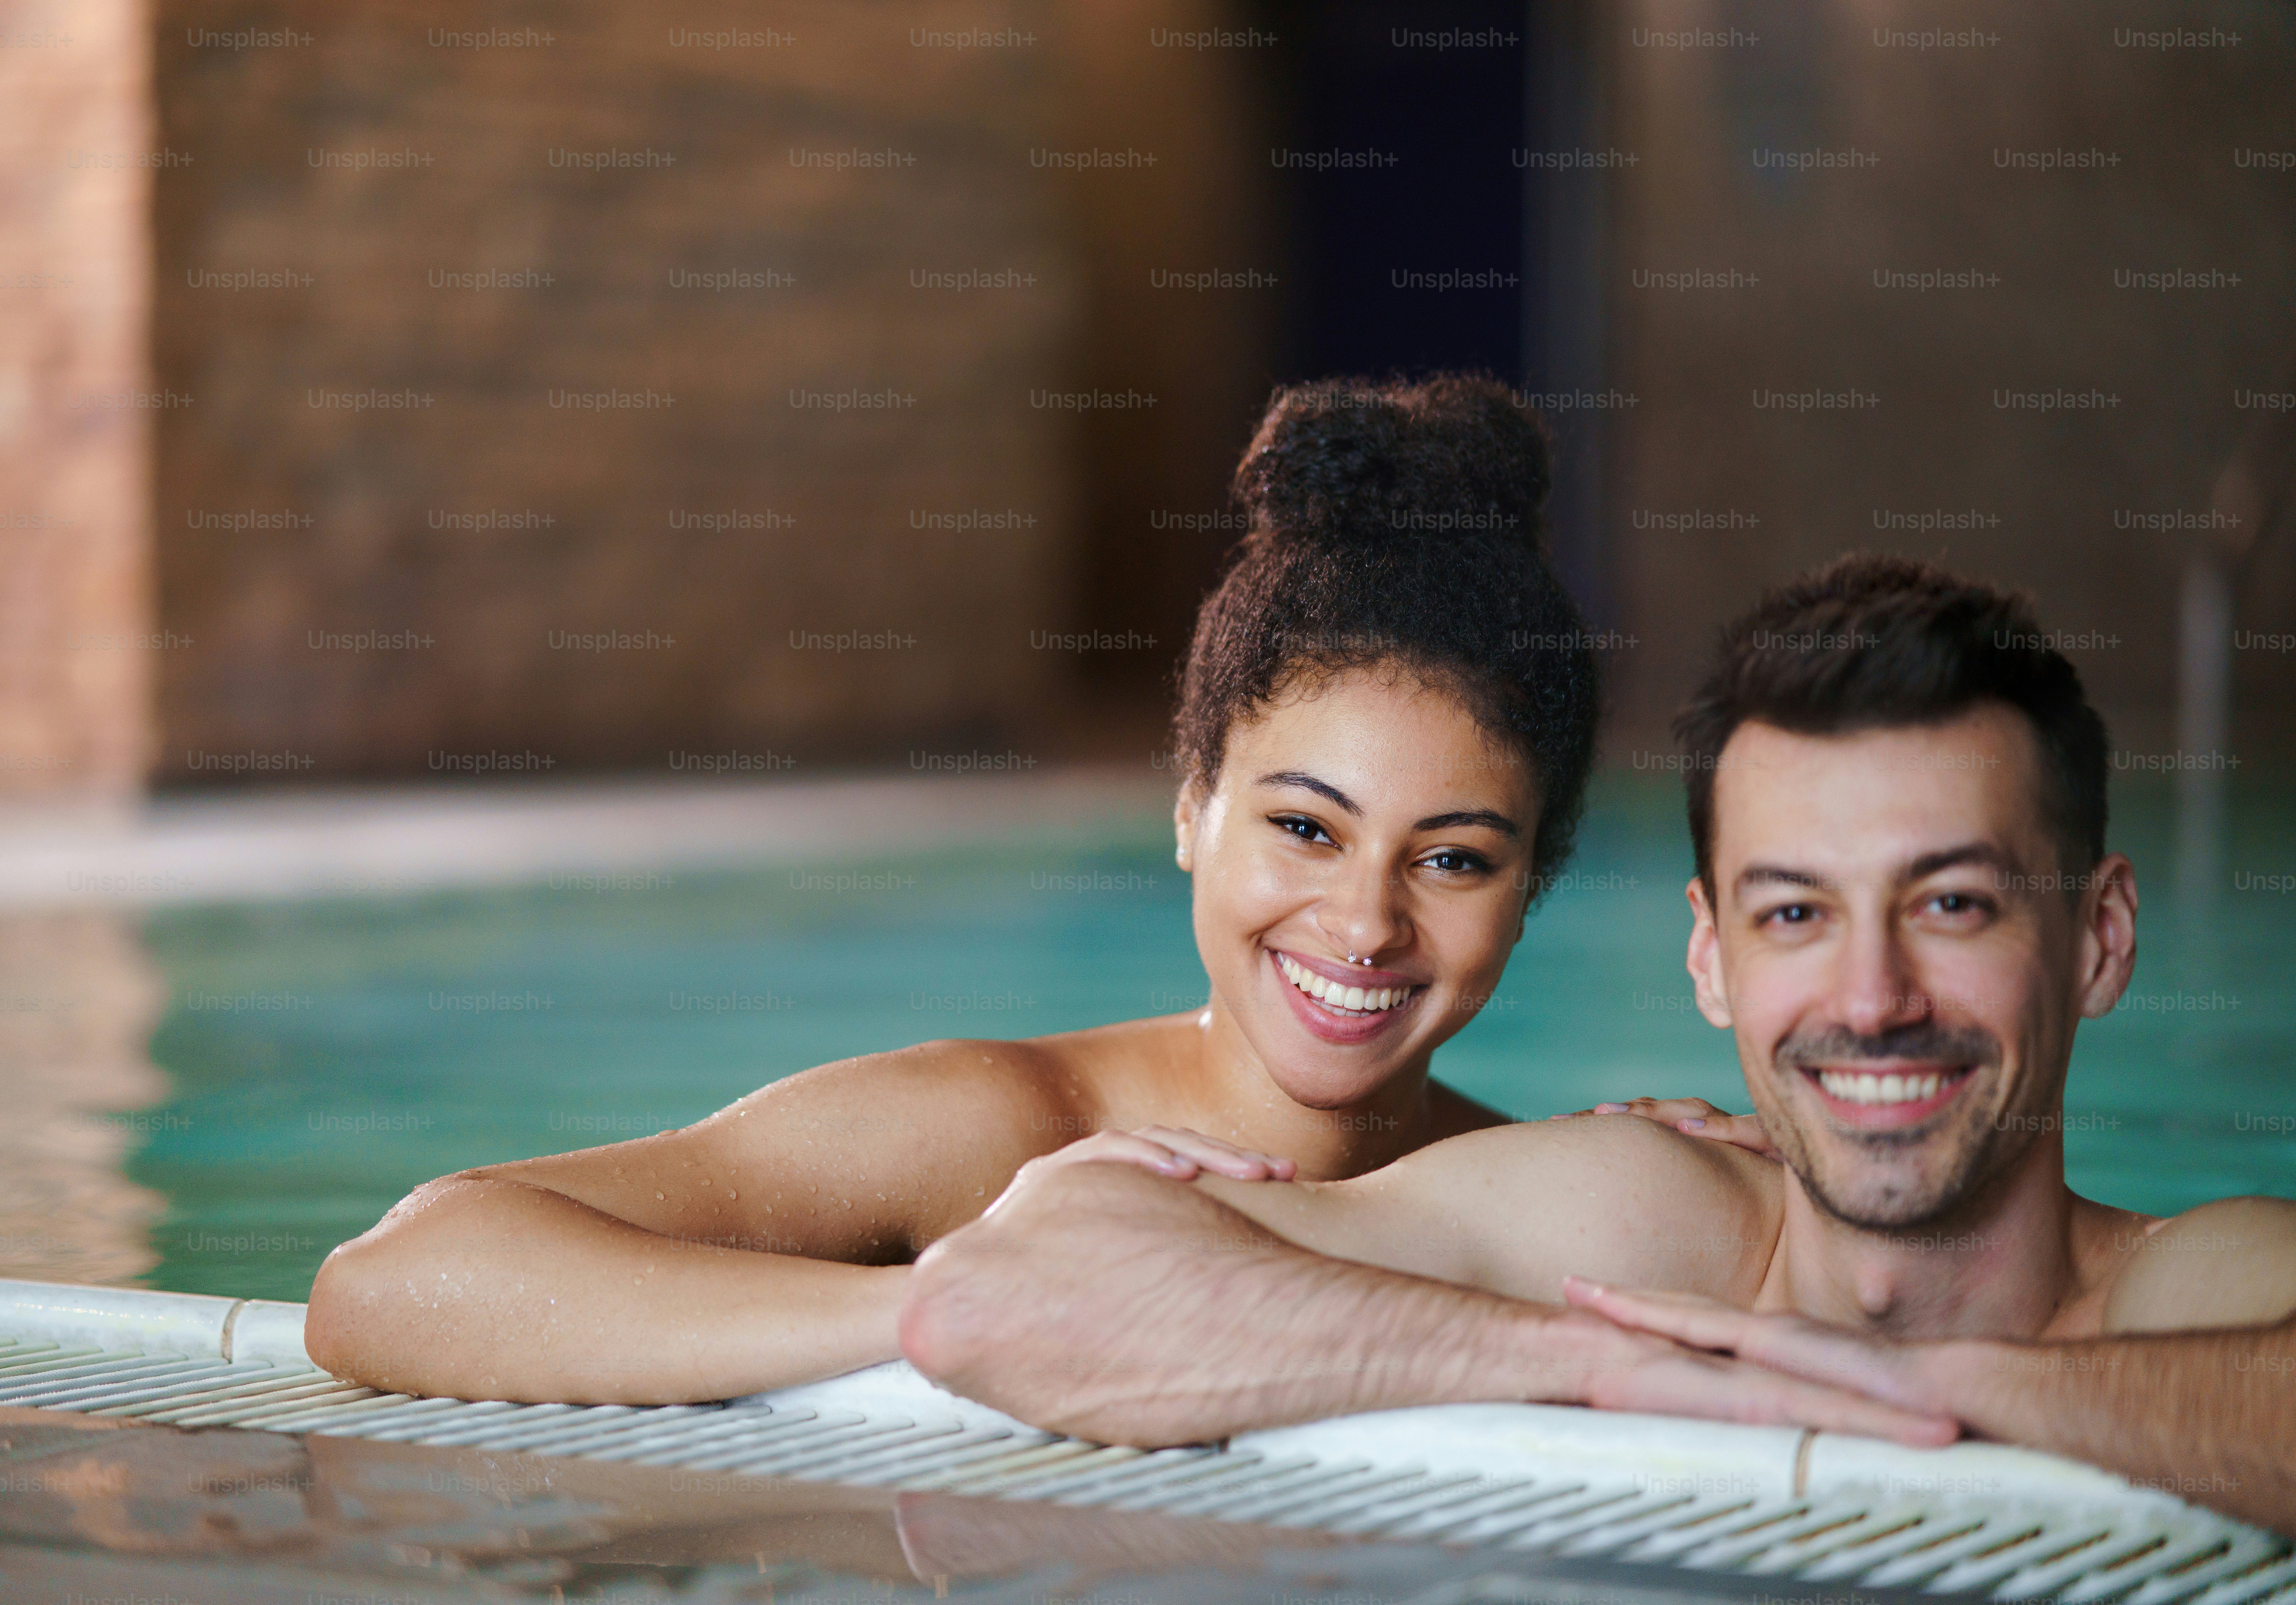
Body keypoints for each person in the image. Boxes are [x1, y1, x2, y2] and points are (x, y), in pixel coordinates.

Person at [303, 374, 1750, 1404]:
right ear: (1191, 811)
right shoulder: (997, 1137)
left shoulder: (1543, 1195)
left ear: (1536, 885)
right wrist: (951, 1307)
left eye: (1450, 860)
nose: (1365, 923)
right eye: (1305, 830)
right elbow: (397, 1279)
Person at [898, 554, 2296, 1534]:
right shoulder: (1640, 1235)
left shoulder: (2191, 1293)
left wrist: (1934, 1387)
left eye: (1949, 903)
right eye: (1793, 912)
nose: (1870, 997)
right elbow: (995, 1300)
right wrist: (1583, 1367)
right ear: (1708, 957)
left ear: (2100, 940)